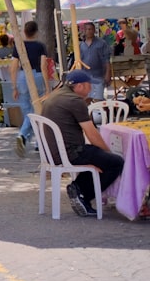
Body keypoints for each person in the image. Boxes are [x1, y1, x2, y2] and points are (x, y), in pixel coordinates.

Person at [41, 70, 125, 217]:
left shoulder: (56, 94)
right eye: (89, 85)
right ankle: (82, 194)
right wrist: (107, 152)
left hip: (53, 151)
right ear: (80, 86)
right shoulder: (75, 101)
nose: (91, 89)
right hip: (70, 152)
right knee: (115, 162)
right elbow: (92, 134)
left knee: (98, 157)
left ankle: (78, 188)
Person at [9, 20, 51, 158]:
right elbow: (43, 65)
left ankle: (32, 139)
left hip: (22, 76)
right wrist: (46, 86)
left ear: (24, 32)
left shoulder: (19, 46)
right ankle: (27, 136)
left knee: (27, 110)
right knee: (38, 110)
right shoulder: (40, 46)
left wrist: (14, 86)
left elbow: (13, 66)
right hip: (37, 75)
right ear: (36, 32)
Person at [78, 21, 112, 102]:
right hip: (85, 77)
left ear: (94, 30)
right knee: (86, 100)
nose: (89, 31)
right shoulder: (81, 45)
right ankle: (89, 115)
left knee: (98, 99)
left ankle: (101, 114)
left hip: (98, 76)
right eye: (87, 29)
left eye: (91, 29)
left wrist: (108, 74)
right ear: (84, 31)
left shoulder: (101, 43)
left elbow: (107, 59)